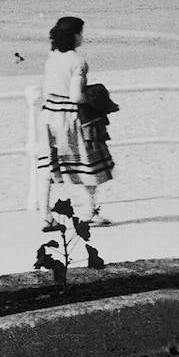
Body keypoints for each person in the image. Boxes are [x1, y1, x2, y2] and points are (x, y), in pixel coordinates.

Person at [36, 16, 113, 226]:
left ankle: (46, 216)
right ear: (74, 35)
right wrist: (96, 98)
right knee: (87, 164)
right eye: (81, 32)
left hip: (48, 114)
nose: (82, 36)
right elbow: (76, 96)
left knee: (47, 167)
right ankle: (89, 212)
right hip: (69, 116)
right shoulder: (77, 61)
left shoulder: (52, 57)